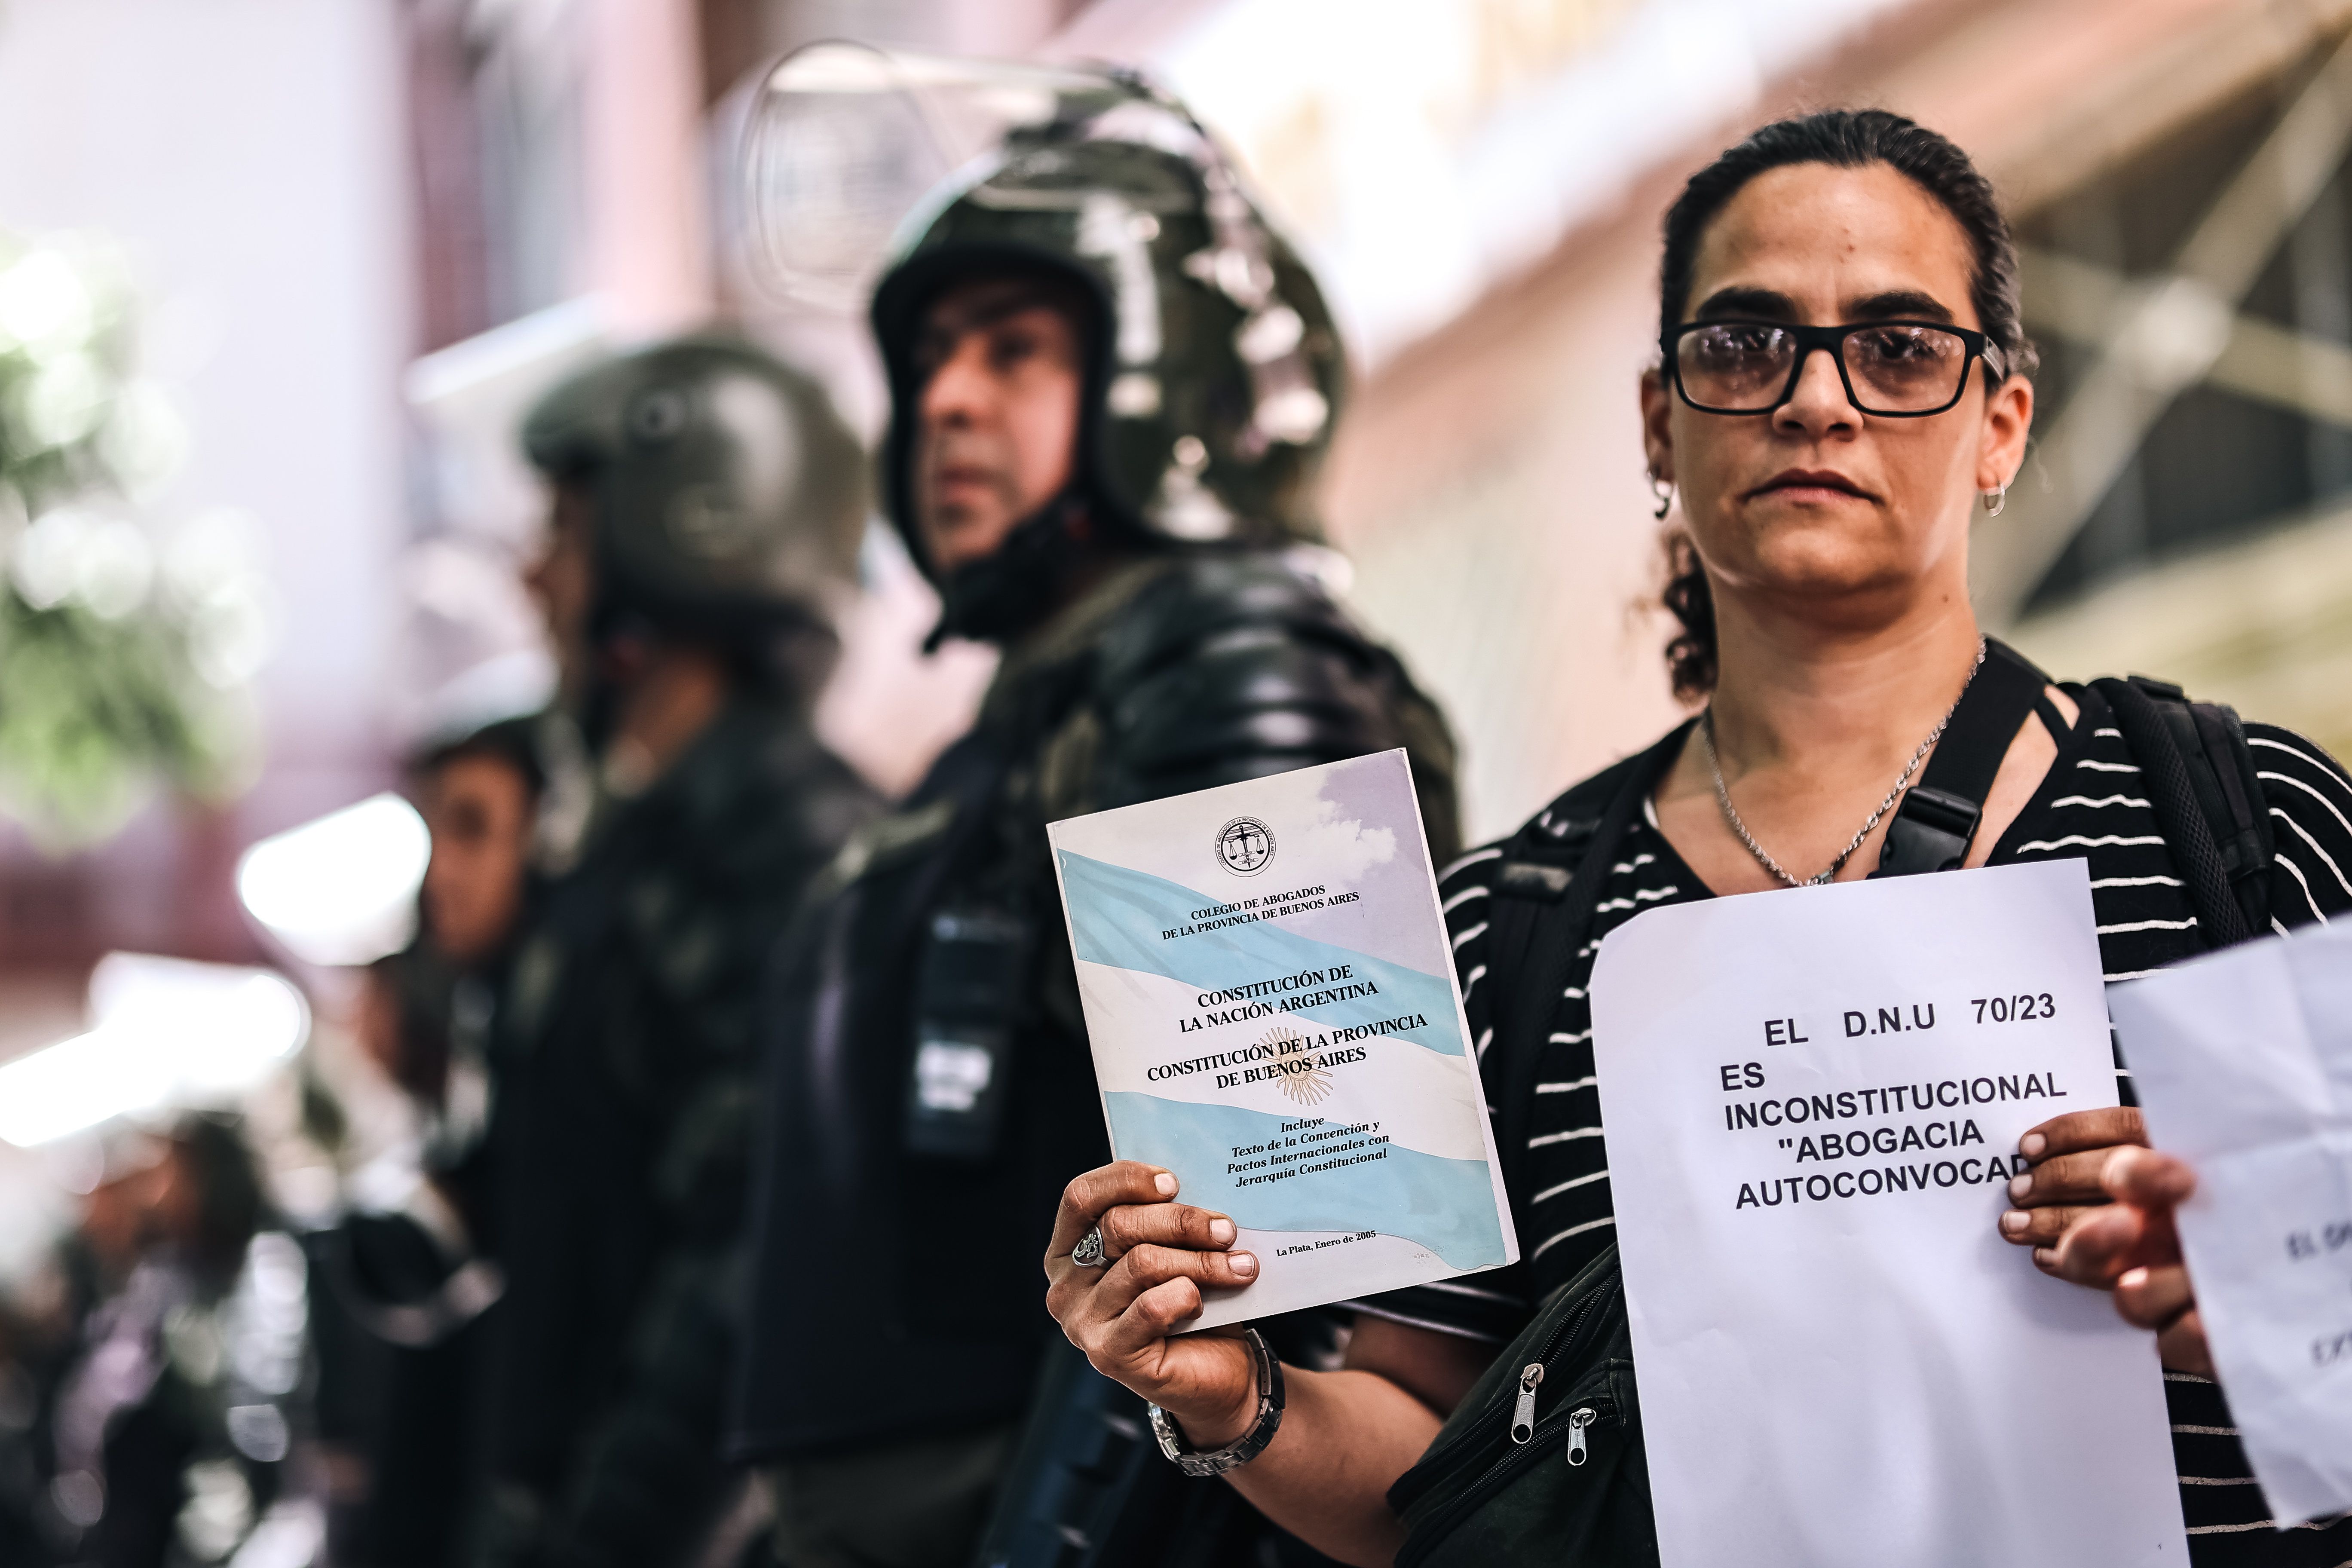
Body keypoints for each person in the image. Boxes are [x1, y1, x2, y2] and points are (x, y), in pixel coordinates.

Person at [1042, 109, 2352, 1566]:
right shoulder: (1498, 931)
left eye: (1902, 347)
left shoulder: (2248, 824)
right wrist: (1226, 1392)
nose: (1818, 399)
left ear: (2002, 427)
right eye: (1745, 345)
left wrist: (2258, 1301)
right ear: (1662, 424)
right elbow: (1438, 1460)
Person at [729, 88, 1460, 1568]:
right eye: (932, 354)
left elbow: (1293, 1270)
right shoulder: (1020, 728)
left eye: (1013, 347)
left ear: (1168, 374)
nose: (943, 398)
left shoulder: (1237, 672)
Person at [469, 337, 881, 1568]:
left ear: (682, 537)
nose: (533, 575)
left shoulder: (786, 838)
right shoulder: (637, 844)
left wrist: (610, 1536)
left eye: (567, 532)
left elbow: (749, 1262)